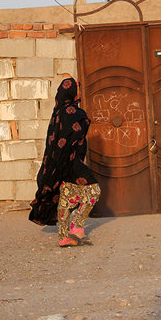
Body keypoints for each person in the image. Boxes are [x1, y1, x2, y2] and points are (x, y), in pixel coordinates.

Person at [29, 75, 101, 247]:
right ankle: (76, 227)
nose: (80, 92)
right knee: (94, 191)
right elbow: (76, 134)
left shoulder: (58, 112)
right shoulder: (74, 113)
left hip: (57, 163)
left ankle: (63, 237)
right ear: (73, 93)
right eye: (78, 89)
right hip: (71, 161)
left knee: (65, 195)